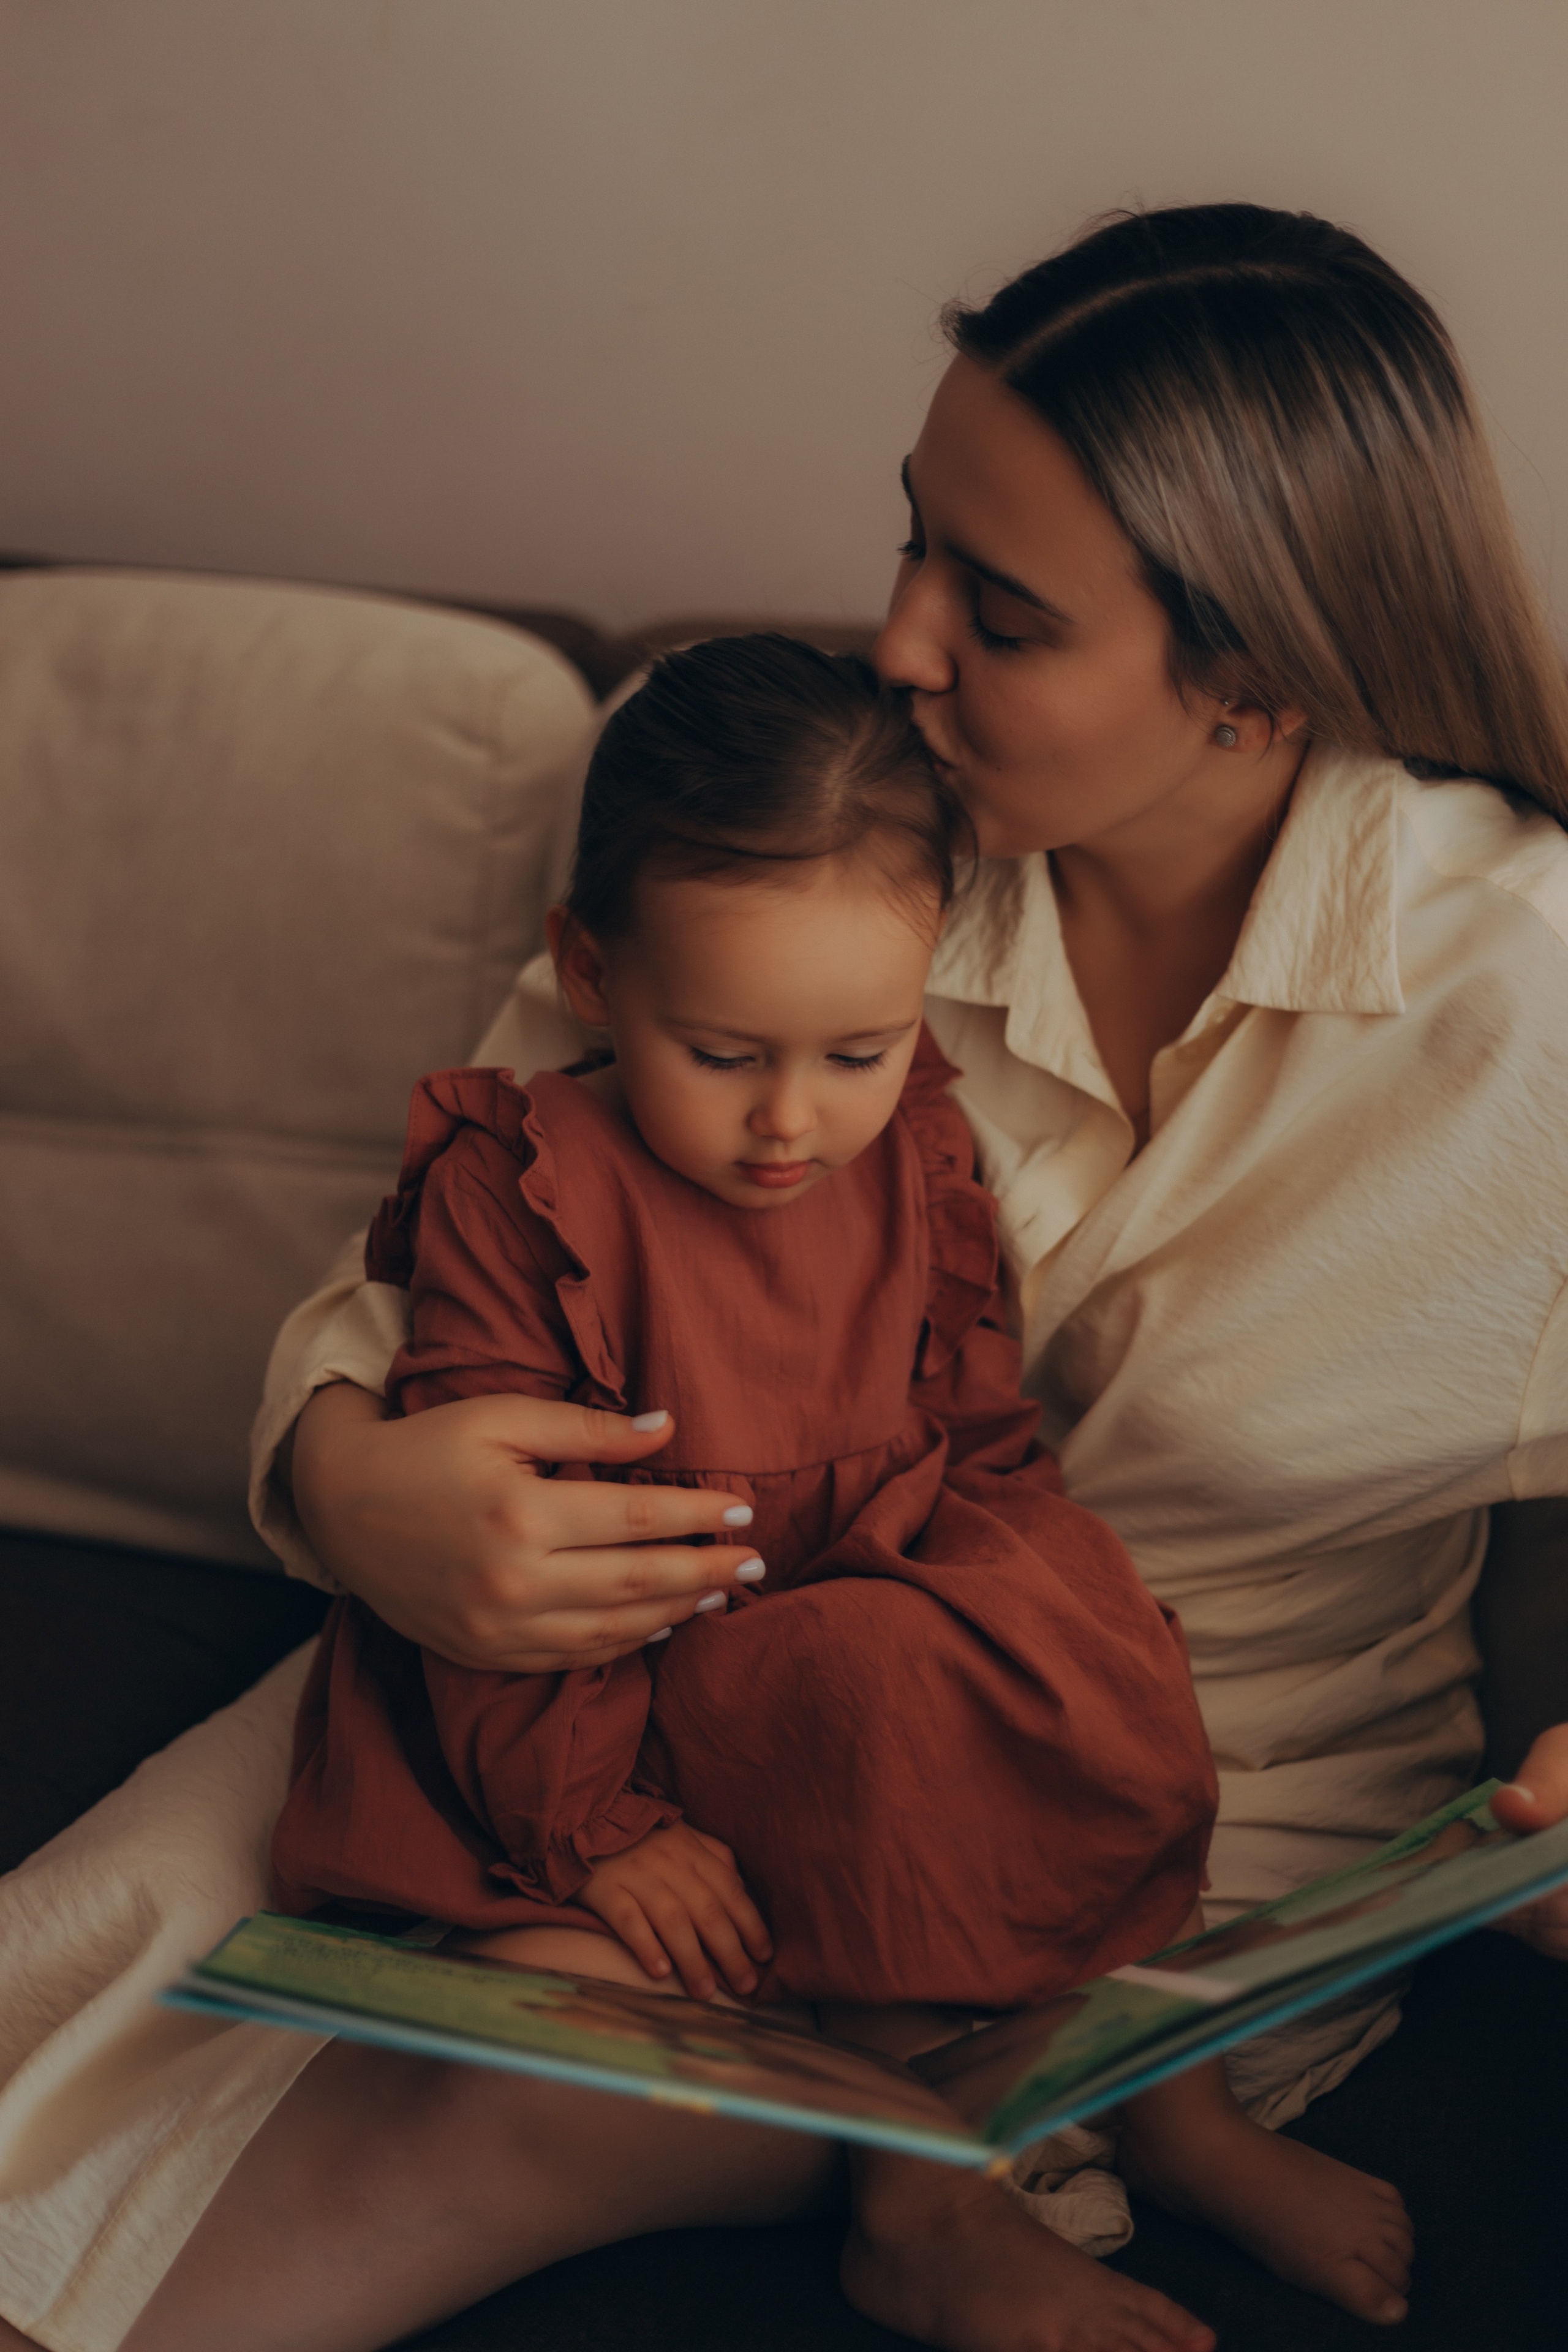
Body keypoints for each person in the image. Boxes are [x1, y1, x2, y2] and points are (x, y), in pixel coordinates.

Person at [4, 198, 1568, 2352]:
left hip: (1174, 1794)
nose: (902, 642)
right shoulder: (808, 837)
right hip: (597, 1669)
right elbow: (460, 1253)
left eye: (998, 611)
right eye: (912, 539)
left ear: (1257, 680)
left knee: (505, 2100)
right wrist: (359, 1485)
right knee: (97, 1983)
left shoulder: (1525, 1006)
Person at [270, 633, 1219, 2031]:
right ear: (587, 970)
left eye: (856, 1054)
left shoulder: (923, 1148)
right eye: (722, 1057)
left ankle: (1175, 2102)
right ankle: (922, 2192)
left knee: (1087, 1679)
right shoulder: (520, 1183)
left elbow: (977, 1432)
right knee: (554, 2004)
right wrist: (601, 1825)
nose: (790, 1122)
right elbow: (504, 1573)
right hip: (611, 1694)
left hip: (845, 1641)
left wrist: (1062, 1633)